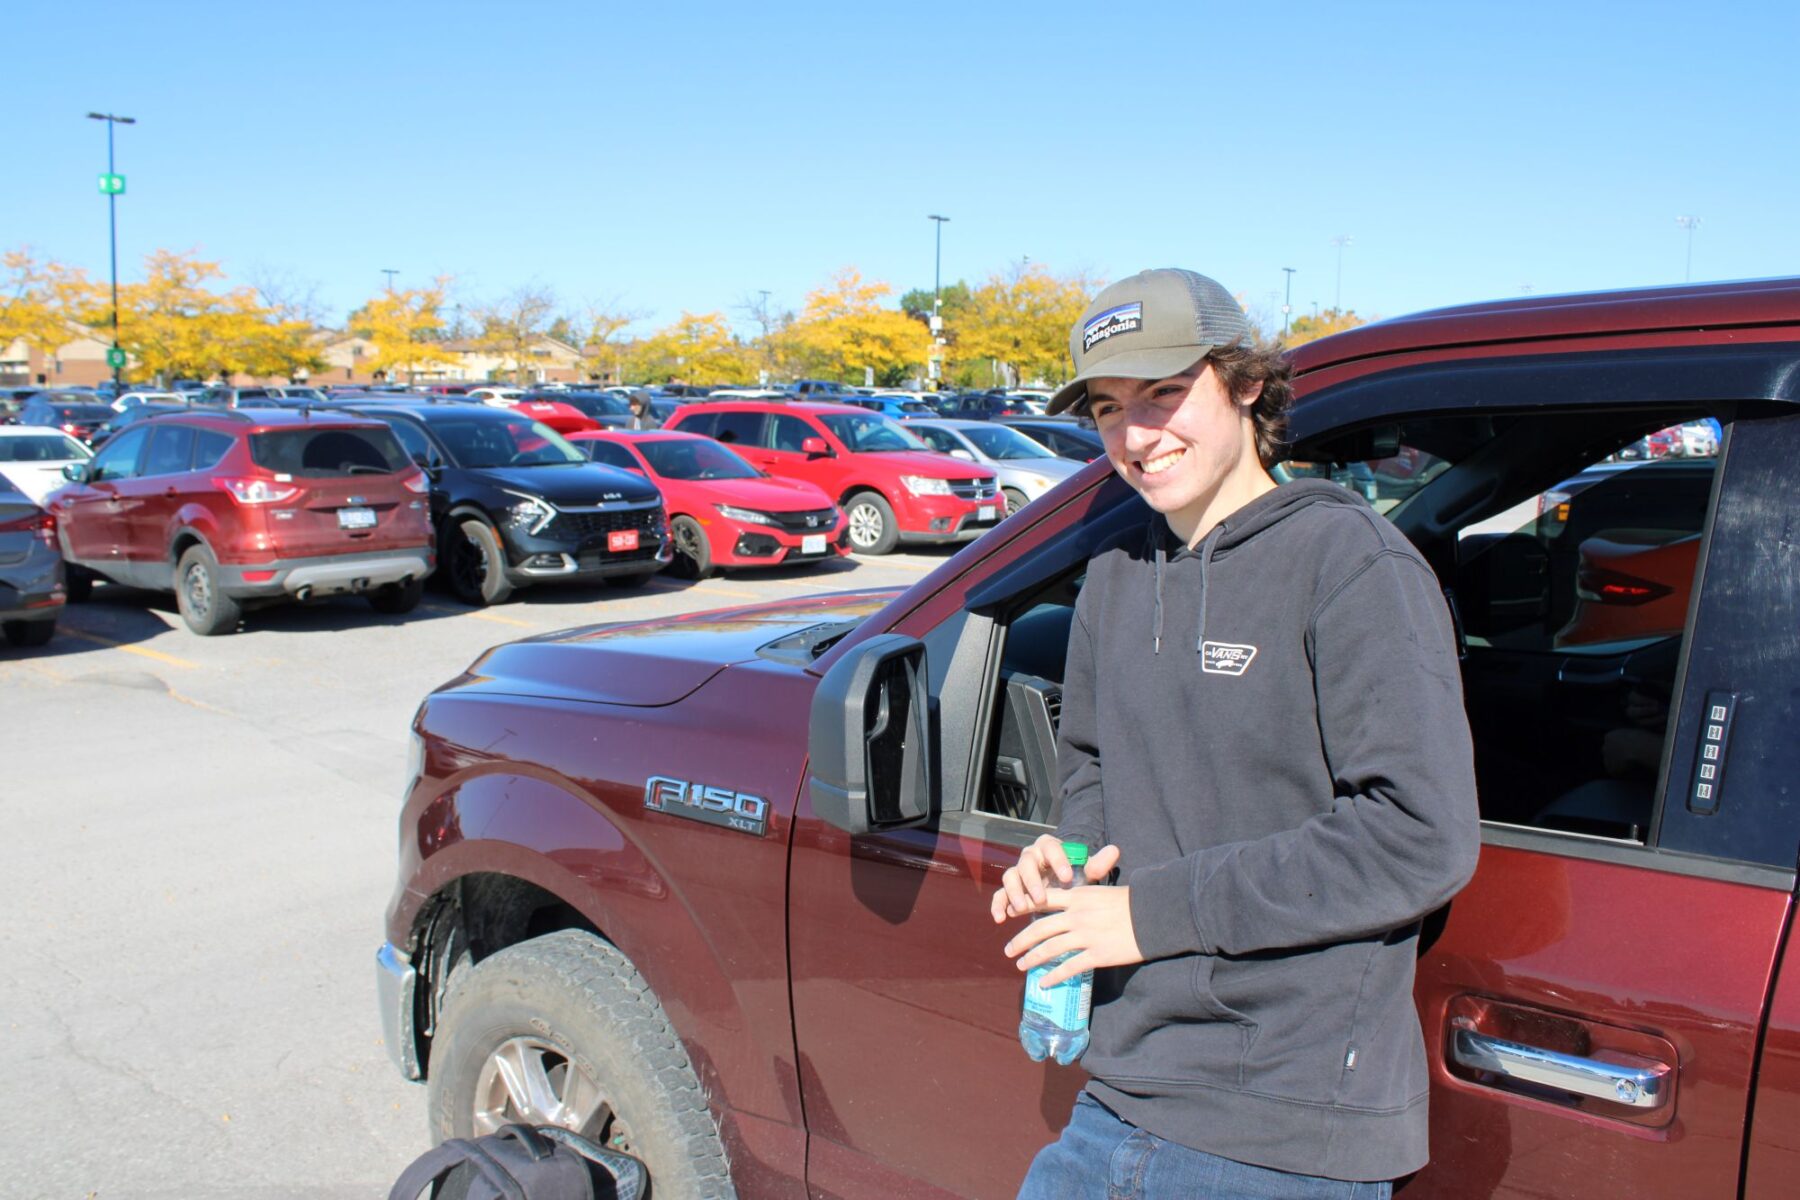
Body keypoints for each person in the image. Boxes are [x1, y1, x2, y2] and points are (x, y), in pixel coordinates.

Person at [992, 268, 1480, 1199]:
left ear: (1246, 383)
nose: (1136, 436)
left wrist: (1145, 915)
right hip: (1120, 1089)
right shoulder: (1114, 576)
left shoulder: (1351, 564)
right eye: (1107, 408)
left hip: (1280, 1127)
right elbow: (1092, 771)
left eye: (1165, 393)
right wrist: (1066, 856)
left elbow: (1419, 836)